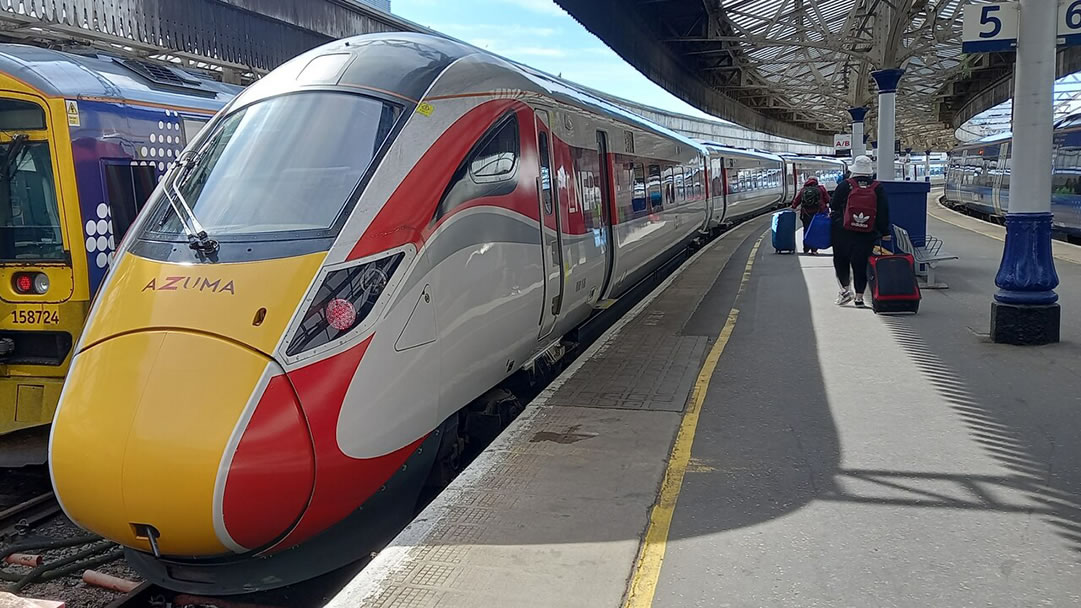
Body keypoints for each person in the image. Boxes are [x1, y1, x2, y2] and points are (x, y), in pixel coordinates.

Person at [830, 155, 890, 307]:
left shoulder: (845, 185)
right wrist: (885, 231)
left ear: (854, 169)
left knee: (841, 261)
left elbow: (834, 205)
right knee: (861, 264)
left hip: (842, 232)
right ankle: (859, 297)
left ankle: (845, 290)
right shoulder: (877, 187)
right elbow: (883, 212)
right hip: (867, 233)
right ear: (869, 171)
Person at [790, 177, 829, 254]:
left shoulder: (803, 190)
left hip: (806, 214)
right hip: (818, 214)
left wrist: (793, 207)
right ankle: (814, 250)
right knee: (815, 231)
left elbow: (796, 201)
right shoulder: (821, 189)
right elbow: (827, 199)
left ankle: (806, 248)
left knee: (806, 230)